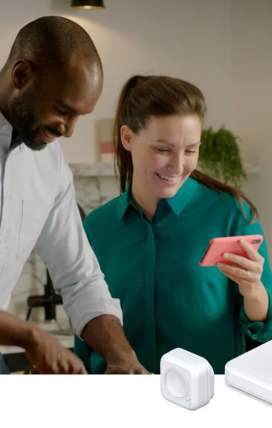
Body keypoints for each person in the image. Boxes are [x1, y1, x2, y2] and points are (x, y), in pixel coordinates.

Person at [74, 75, 272, 374]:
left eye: (190, 150)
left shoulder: (229, 213)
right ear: (127, 137)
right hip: (118, 404)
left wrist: (252, 289)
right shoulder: (97, 227)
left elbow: (264, 326)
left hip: (204, 406)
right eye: (163, 149)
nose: (178, 166)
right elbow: (85, 330)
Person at [0, 17, 147, 374]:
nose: (67, 130)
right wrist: (30, 336)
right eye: (63, 110)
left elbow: (80, 277)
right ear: (22, 75)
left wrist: (122, 356)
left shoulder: (49, 165)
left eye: (79, 116)